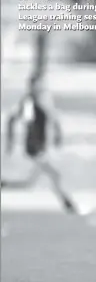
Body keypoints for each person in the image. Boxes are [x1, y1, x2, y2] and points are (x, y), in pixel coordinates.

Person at [1, 76, 82, 215]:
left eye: (41, 85)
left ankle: (3, 184)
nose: (40, 87)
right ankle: (69, 205)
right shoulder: (29, 103)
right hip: (35, 148)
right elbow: (25, 122)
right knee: (54, 175)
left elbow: (51, 118)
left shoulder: (42, 101)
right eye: (36, 85)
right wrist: (15, 142)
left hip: (40, 147)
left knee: (30, 183)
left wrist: (57, 135)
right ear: (31, 86)